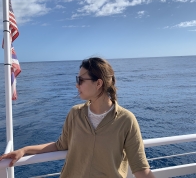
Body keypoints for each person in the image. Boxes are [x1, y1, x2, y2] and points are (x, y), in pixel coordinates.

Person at [0, 57, 155, 178]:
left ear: (98, 83)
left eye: (80, 80)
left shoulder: (126, 120)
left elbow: (141, 169)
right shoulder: (75, 114)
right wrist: (25, 150)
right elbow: (60, 145)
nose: (76, 85)